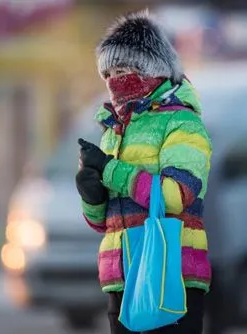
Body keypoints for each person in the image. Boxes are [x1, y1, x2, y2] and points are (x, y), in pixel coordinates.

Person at [75, 11, 211, 334]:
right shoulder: (114, 129)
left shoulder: (182, 123)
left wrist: (111, 170)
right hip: (121, 278)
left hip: (171, 275)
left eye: (124, 69)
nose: (115, 79)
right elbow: (103, 222)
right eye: (109, 71)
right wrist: (92, 196)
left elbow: (176, 195)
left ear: (152, 68)